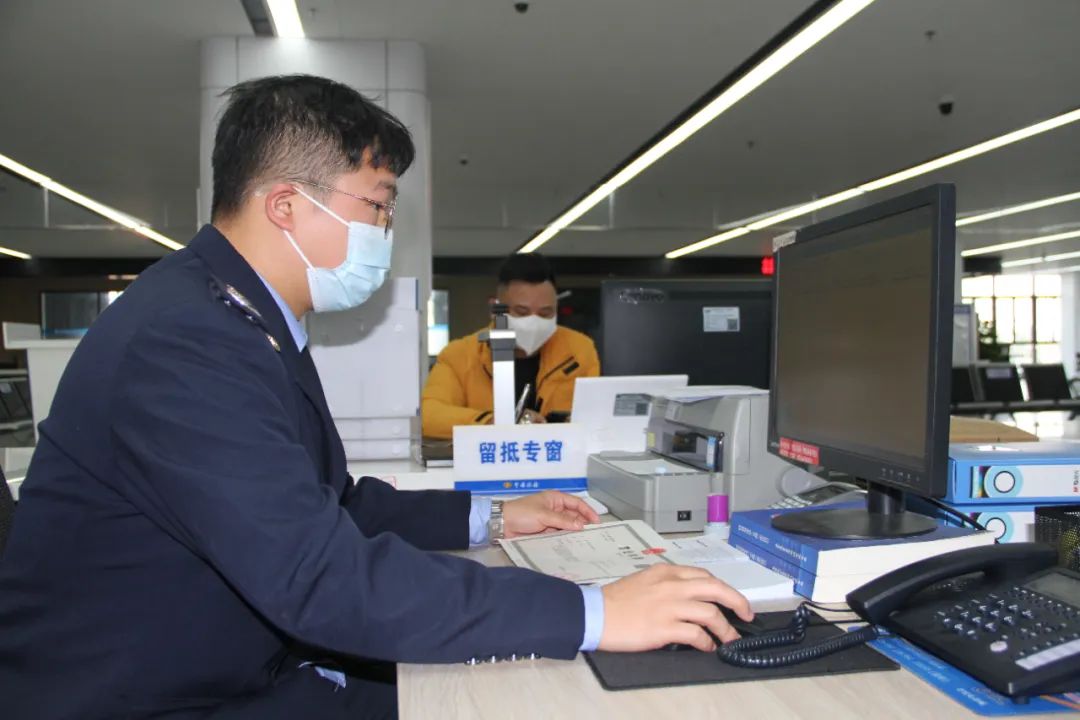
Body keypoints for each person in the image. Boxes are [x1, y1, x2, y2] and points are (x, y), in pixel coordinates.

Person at [0, 75, 751, 720]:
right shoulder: (185, 342)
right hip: (152, 698)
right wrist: (594, 610)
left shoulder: (236, 317)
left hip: (225, 661)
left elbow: (330, 505)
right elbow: (319, 576)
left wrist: (491, 516)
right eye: (379, 206)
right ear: (286, 205)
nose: (386, 231)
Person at [422, 253, 599, 439]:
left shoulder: (579, 351)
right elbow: (429, 415)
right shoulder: (460, 355)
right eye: (522, 312)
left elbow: (597, 414)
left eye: (545, 313)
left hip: (558, 453)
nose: (533, 322)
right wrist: (491, 422)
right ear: (495, 309)